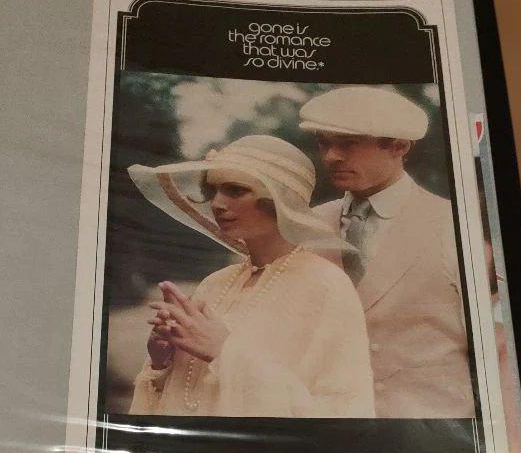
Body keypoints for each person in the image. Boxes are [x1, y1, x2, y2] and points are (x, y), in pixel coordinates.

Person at [125, 135, 374, 419]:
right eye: (213, 190)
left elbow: (342, 412)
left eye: (235, 190)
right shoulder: (215, 283)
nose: (217, 204)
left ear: (280, 200)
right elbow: (184, 398)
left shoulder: (327, 286)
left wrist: (223, 350)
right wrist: (161, 361)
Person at [300, 86, 477, 419]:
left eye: (348, 143)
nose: (331, 157)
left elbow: (497, 348)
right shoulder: (307, 226)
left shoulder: (454, 225)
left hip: (431, 430)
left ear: (399, 146)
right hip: (328, 425)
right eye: (324, 143)